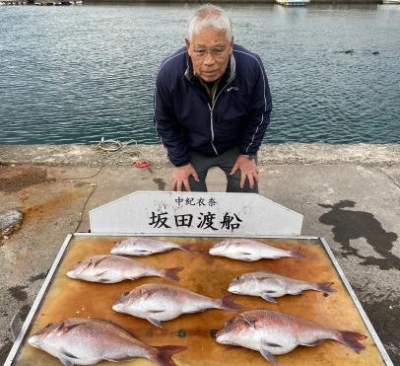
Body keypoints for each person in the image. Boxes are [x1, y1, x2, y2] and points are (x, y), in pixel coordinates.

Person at [154, 4, 272, 193]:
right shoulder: (169, 72)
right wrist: (180, 161)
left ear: (231, 45)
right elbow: (164, 121)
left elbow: (260, 113)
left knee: (246, 186)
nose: (209, 61)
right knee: (186, 194)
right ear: (188, 46)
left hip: (235, 145)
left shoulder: (251, 66)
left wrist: (247, 153)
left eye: (218, 50)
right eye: (200, 51)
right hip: (191, 147)